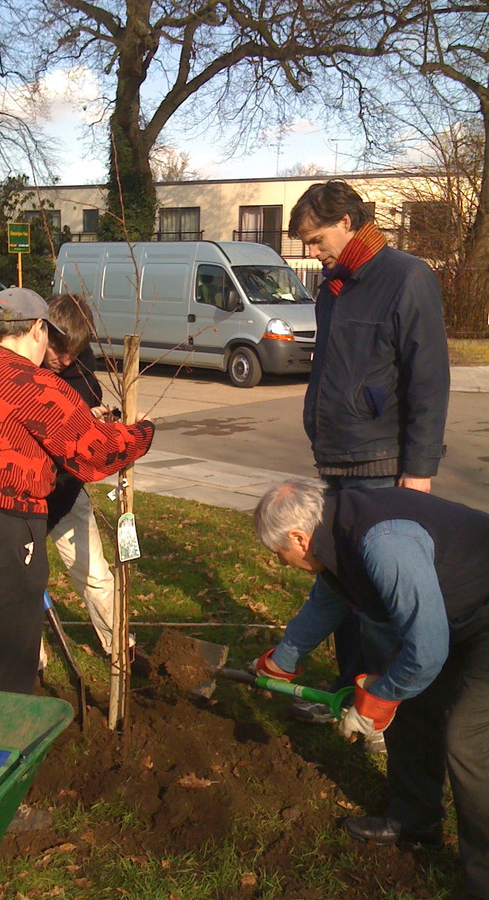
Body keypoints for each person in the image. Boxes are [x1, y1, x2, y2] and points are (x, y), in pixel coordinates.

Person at [253, 478, 489, 900]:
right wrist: (281, 661)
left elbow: (428, 649)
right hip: (453, 609)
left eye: (278, 554)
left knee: (468, 741)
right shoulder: (334, 533)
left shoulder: (383, 542)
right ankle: (417, 820)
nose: (279, 562)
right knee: (412, 708)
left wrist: (379, 699)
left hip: (482, 607)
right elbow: (328, 600)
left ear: (298, 538)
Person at [0, 287, 154, 695]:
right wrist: (141, 433)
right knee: (6, 672)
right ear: (39, 330)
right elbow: (96, 455)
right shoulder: (34, 384)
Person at [284, 180, 450, 729]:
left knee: (380, 603)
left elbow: (428, 380)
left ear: (349, 222)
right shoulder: (333, 288)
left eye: (316, 238)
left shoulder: (406, 277)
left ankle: (385, 708)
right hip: (337, 462)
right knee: (343, 586)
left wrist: (419, 471)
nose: (312, 252)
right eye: (306, 243)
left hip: (382, 468)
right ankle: (344, 695)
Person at [41, 293, 127, 660]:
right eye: (60, 351)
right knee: (19, 587)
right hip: (18, 497)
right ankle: (32, 666)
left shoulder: (83, 371)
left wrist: (95, 423)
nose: (66, 361)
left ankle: (122, 650)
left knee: (95, 575)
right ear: (40, 332)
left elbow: (79, 422)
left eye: (75, 353)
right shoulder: (19, 367)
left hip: (64, 491)